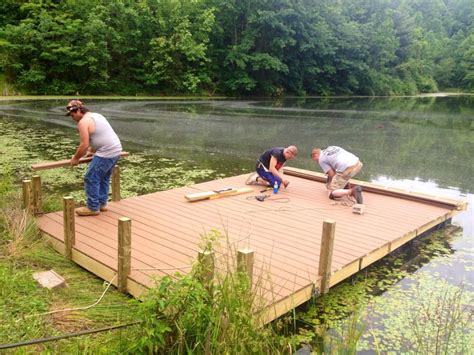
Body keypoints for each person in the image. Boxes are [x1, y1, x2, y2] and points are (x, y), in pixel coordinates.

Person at [66, 100, 122, 216]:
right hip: (116, 150)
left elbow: (84, 144)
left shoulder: (83, 122)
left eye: (73, 114)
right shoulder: (96, 115)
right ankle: (102, 204)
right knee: (103, 177)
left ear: (79, 111)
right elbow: (99, 136)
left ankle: (92, 207)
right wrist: (92, 151)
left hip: (107, 152)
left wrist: (76, 158)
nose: (72, 117)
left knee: (90, 177)